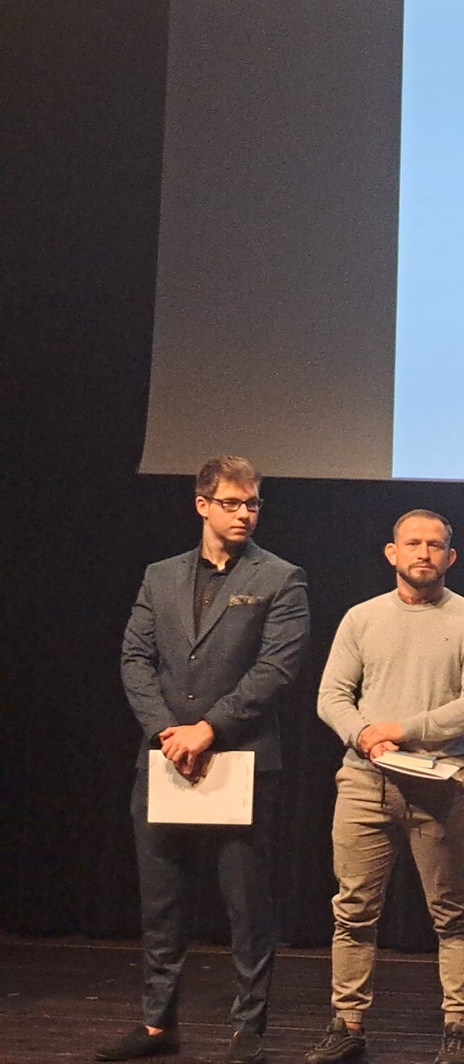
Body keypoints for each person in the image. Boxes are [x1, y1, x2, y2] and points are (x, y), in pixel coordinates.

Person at [97, 456, 311, 1064]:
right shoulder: (160, 575)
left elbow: (275, 670)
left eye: (253, 504)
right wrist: (167, 732)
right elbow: (135, 659)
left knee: (247, 906)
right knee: (161, 904)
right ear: (202, 505)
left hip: (239, 759)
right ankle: (158, 1024)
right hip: (165, 756)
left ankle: (248, 1029)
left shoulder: (282, 578)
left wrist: (208, 729)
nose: (244, 514)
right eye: (232, 503)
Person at [307, 510, 464, 1064]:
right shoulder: (362, 617)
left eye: (435, 545)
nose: (424, 553)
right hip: (365, 781)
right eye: (412, 543)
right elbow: (331, 696)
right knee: (353, 909)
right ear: (392, 553)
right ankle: (347, 1024)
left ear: (450, 557)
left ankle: (458, 1028)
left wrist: (399, 728)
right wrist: (363, 734)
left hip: (439, 783)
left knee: (453, 911)